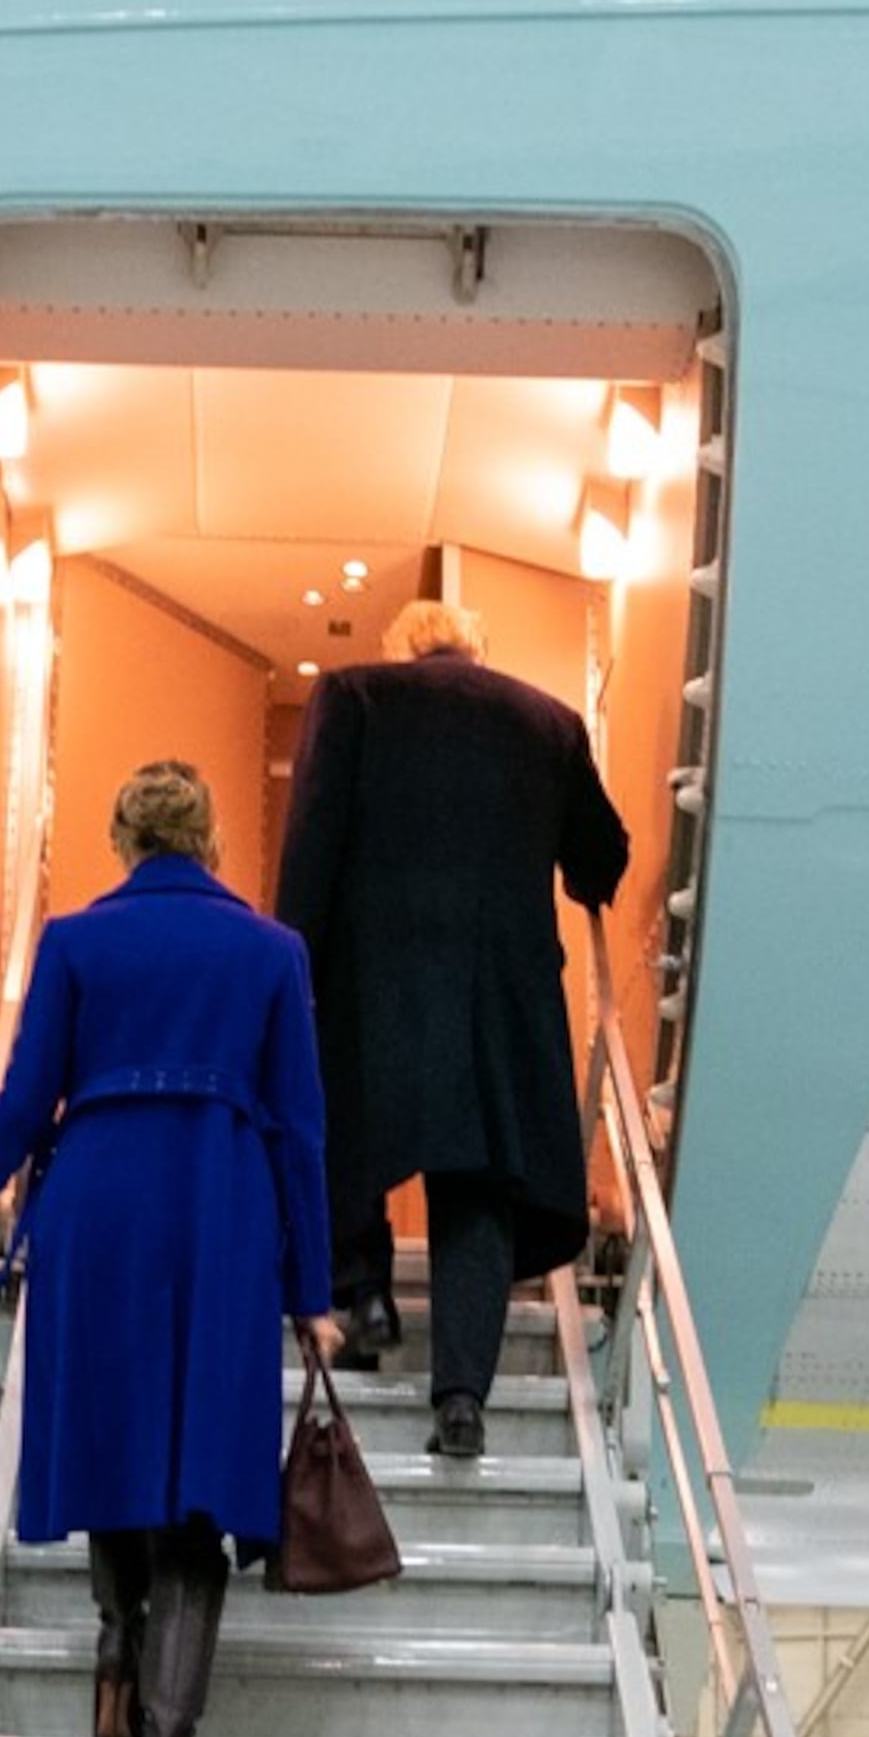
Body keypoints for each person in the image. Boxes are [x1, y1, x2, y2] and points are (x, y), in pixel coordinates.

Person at [0, 759, 339, 1737]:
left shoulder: (76, 941)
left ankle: (117, 1647)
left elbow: (31, 1095)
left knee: (117, 1439)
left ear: (121, 837)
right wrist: (310, 1290)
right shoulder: (273, 952)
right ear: (211, 836)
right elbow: (300, 1131)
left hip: (103, 1203)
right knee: (198, 1485)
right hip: (222, 1211)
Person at [275, 596, 629, 1459]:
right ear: (478, 650)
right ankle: (463, 1397)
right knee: (478, 1190)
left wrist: (292, 964)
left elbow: (312, 839)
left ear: (402, 649)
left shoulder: (354, 696)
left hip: (373, 974)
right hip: (498, 992)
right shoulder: (549, 722)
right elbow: (601, 860)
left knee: (348, 1134)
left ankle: (363, 1303)